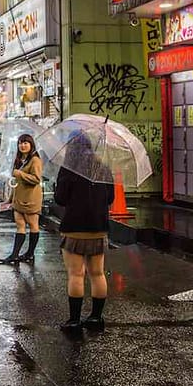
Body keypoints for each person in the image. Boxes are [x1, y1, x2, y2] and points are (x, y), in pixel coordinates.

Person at [53, 135, 114, 332]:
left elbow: (60, 199)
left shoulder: (68, 169)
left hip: (74, 228)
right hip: (98, 227)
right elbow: (110, 197)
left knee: (76, 274)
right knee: (97, 273)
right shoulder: (103, 168)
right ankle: (96, 318)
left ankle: (74, 321)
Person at [0, 134, 44, 265]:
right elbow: (16, 181)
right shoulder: (19, 160)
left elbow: (36, 179)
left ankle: (30, 253)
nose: (22, 146)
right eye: (20, 143)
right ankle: (14, 255)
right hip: (18, 197)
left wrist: (20, 173)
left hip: (31, 197)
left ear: (31, 145)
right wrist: (10, 198)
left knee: (33, 225)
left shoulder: (35, 160)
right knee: (19, 225)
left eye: (25, 143)